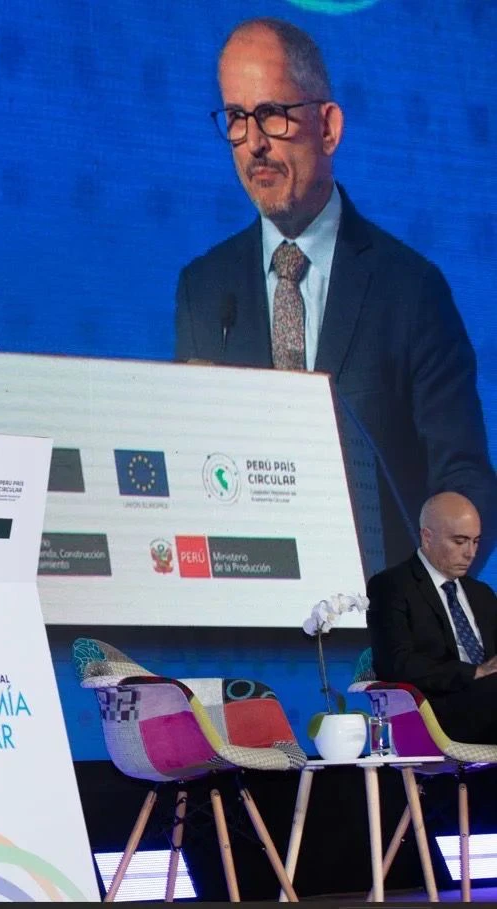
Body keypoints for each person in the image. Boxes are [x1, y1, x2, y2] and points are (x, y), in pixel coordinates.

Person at [173, 17, 496, 572]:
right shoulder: (203, 290)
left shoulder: (411, 291)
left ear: (328, 127)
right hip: (247, 606)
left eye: (272, 114)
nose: (253, 143)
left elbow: (464, 480)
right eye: (236, 118)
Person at [367, 492, 497, 745]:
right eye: (460, 542)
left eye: (476, 542)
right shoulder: (392, 586)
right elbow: (395, 664)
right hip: (439, 710)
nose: (471, 553)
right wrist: (474, 672)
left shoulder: (481, 594)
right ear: (427, 537)